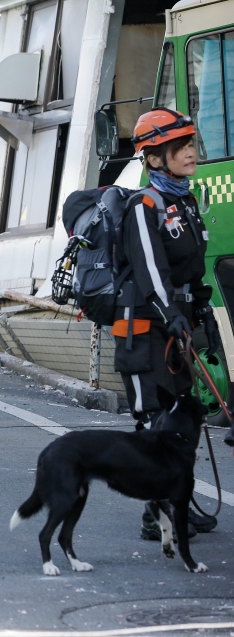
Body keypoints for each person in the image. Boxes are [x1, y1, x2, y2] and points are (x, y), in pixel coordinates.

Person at [114, 107, 218, 539]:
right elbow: (151, 271)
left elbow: (188, 271)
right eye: (181, 147)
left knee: (182, 420)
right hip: (142, 326)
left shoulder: (184, 200)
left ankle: (177, 502)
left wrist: (198, 313)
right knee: (154, 418)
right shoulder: (145, 205)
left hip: (173, 323)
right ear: (155, 158)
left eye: (192, 144)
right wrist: (172, 313)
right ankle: (153, 517)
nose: (191, 153)